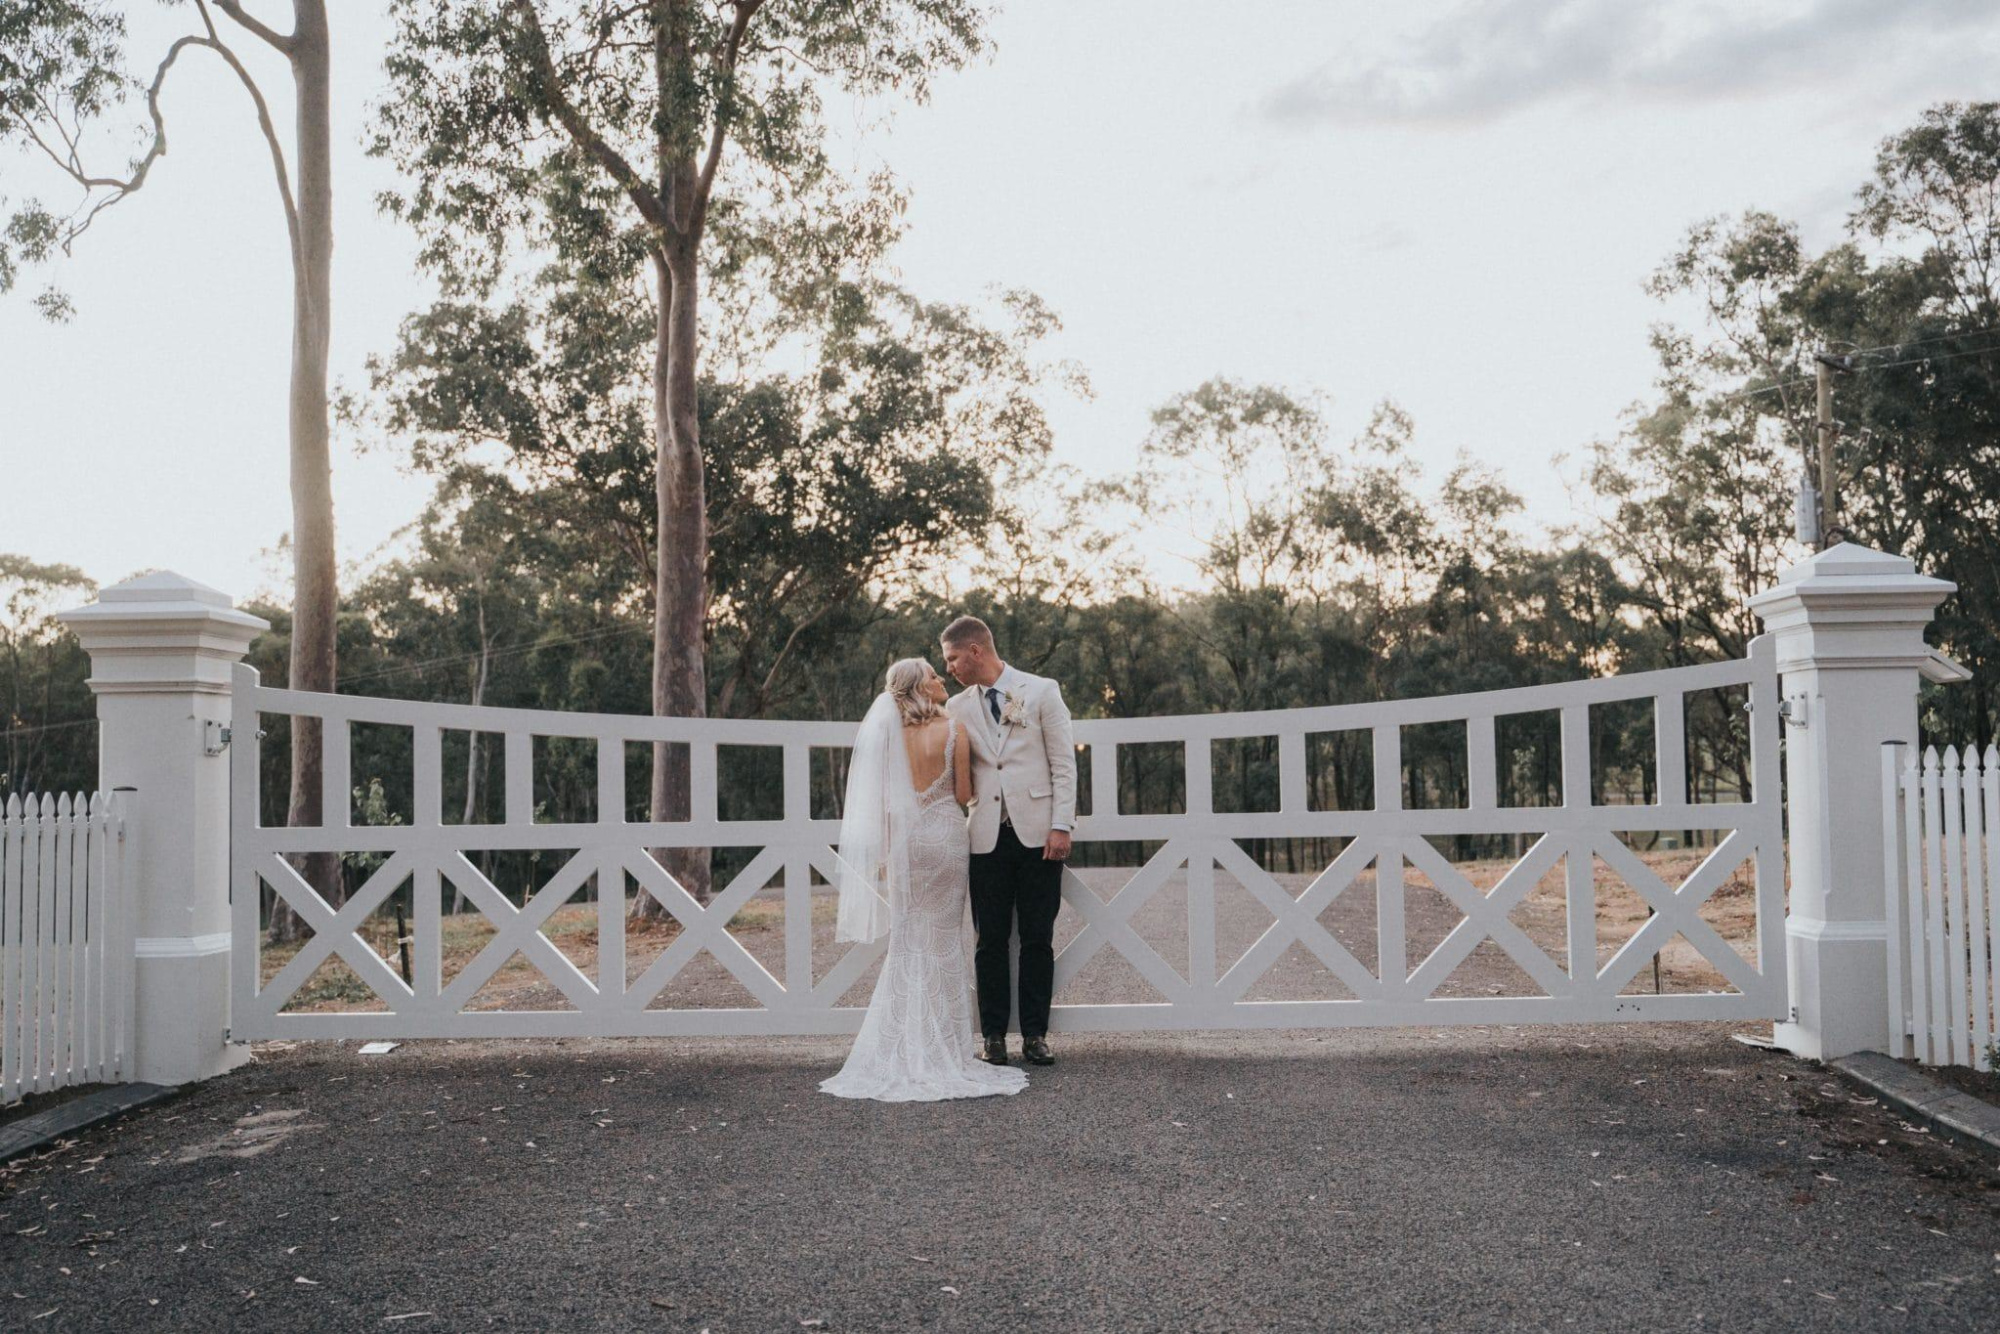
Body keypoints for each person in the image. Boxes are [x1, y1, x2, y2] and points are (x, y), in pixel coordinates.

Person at [820, 658, 1028, 1102]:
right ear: (920, 687)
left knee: (908, 940)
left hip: (905, 846)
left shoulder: (886, 736)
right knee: (945, 941)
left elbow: (878, 801)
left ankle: (902, 1044)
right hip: (946, 838)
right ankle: (944, 1049)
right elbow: (963, 794)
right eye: (934, 676)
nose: (940, 681)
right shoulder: (954, 729)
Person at [939, 615, 1077, 1067]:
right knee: (989, 939)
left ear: (976, 650)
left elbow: (1063, 765)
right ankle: (994, 1036)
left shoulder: (1041, 690)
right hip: (984, 838)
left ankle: (1035, 1035)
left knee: (1038, 936)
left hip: (1039, 834)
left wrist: (1062, 825)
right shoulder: (957, 708)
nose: (950, 668)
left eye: (953, 658)